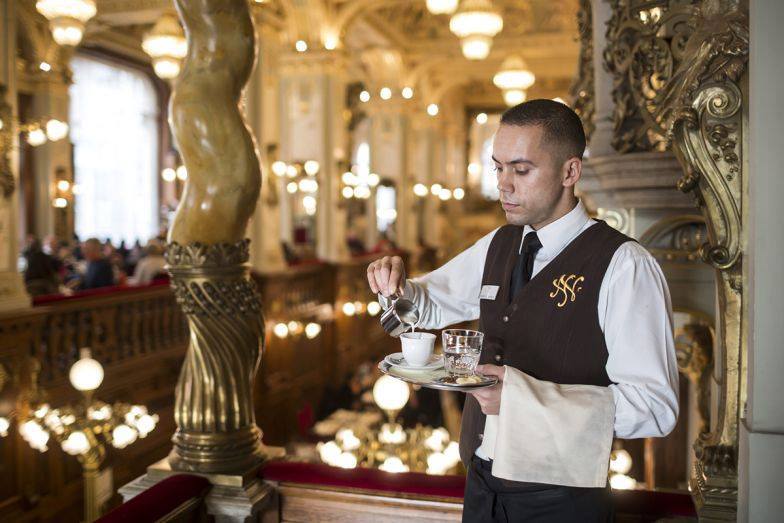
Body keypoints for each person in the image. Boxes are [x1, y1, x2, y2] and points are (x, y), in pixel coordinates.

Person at [366, 100, 678, 522]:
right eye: (498, 168)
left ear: (570, 172)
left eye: (521, 169)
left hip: (561, 500)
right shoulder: (499, 244)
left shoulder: (625, 265)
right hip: (480, 484)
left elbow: (655, 408)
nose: (503, 185)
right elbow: (427, 305)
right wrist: (395, 285)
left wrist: (520, 401)